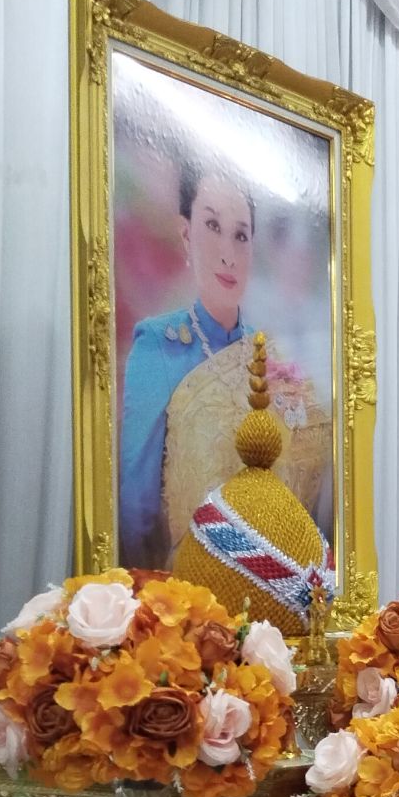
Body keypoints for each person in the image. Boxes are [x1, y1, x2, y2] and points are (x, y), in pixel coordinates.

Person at [120, 159, 257, 566]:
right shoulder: (159, 346)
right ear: (186, 235)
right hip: (184, 587)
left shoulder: (268, 358)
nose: (228, 255)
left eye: (241, 236)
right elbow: (137, 508)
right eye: (213, 227)